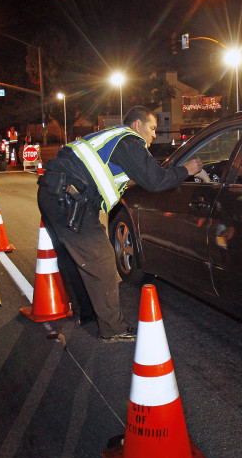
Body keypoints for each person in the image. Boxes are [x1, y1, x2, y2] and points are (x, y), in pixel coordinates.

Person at [37, 106, 203, 343]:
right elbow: (155, 180)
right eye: (152, 128)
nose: (154, 135)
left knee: (74, 260)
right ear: (137, 125)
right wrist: (186, 170)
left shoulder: (111, 139)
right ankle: (112, 329)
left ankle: (86, 314)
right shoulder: (129, 141)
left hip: (52, 192)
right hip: (69, 199)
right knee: (102, 260)